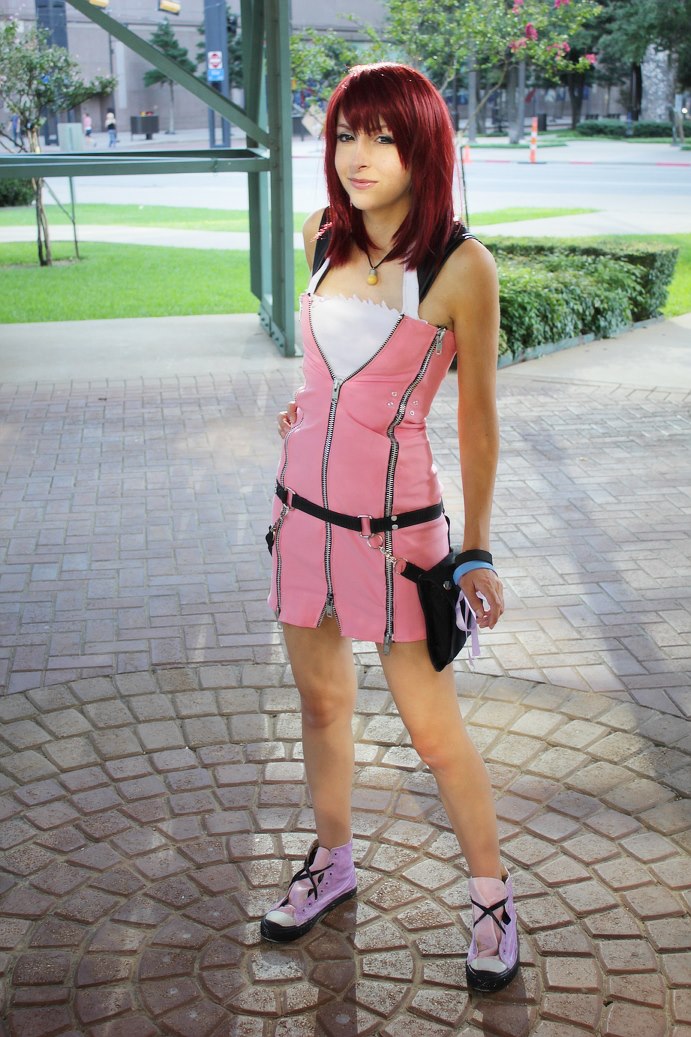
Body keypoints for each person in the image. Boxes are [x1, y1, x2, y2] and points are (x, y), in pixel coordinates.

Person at [262, 62, 519, 994]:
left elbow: (477, 419)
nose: (357, 155)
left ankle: (491, 899)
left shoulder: (460, 266)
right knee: (322, 705)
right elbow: (325, 373)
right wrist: (306, 413)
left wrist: (475, 547)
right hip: (301, 520)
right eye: (344, 134)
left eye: (382, 136)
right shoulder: (321, 235)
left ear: (423, 148)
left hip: (399, 536)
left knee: (433, 734)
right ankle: (332, 862)